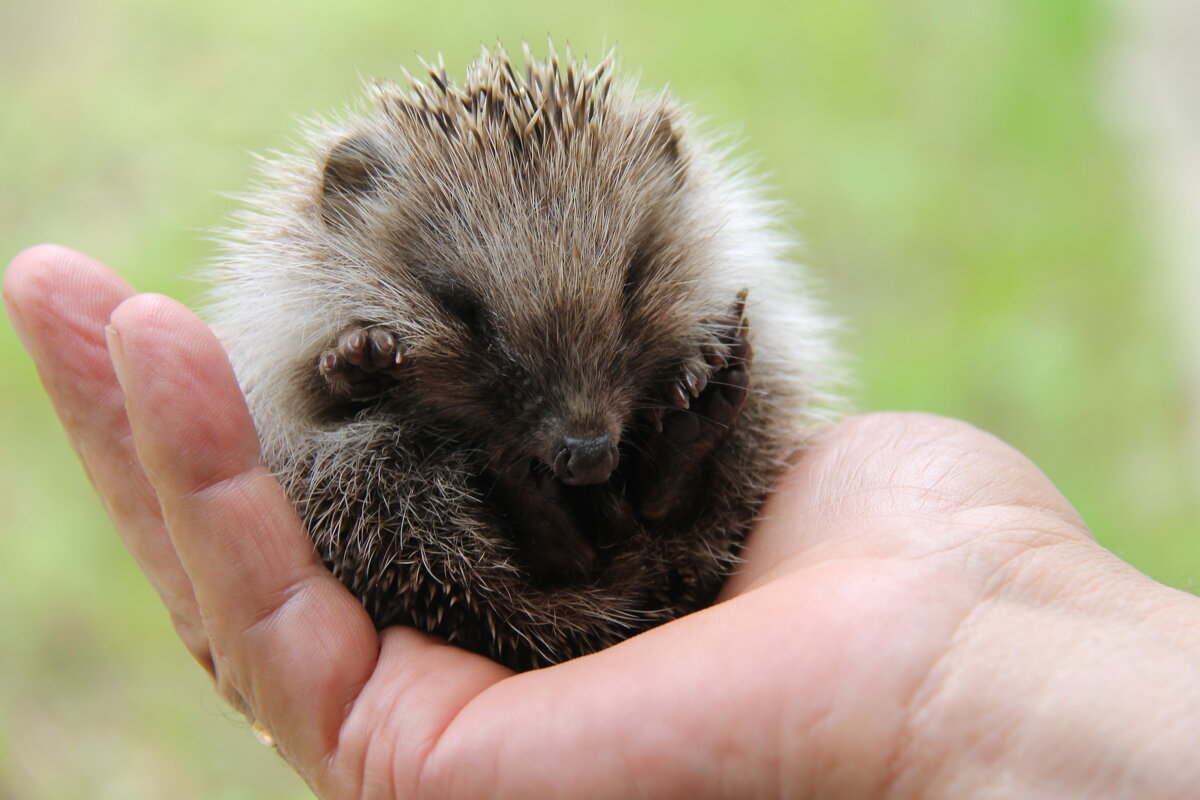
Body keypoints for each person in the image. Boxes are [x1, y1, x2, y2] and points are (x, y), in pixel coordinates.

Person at [6, 243, 1200, 799]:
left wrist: (968, 678)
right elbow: (307, 399)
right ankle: (584, 519)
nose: (583, 429)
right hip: (477, 539)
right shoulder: (351, 296)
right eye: (478, 314)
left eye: (626, 293)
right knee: (361, 469)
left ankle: (631, 501)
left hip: (666, 545)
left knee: (735, 420)